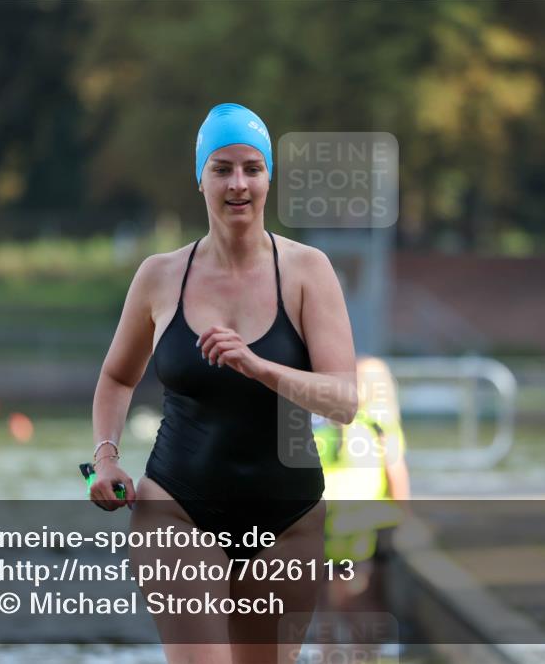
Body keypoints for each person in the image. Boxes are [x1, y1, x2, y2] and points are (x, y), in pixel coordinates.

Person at [90, 103, 357, 663]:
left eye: (252, 169)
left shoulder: (308, 271)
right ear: (200, 178)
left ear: (268, 179)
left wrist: (261, 367)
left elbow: (344, 400)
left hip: (287, 517)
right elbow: (116, 377)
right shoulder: (160, 276)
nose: (238, 184)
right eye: (222, 169)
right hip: (178, 506)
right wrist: (105, 459)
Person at [312, 356, 411, 655]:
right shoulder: (377, 423)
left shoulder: (327, 421)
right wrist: (404, 514)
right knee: (356, 594)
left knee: (328, 597)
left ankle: (331, 653)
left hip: (330, 520)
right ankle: (363, 653)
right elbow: (395, 471)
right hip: (361, 522)